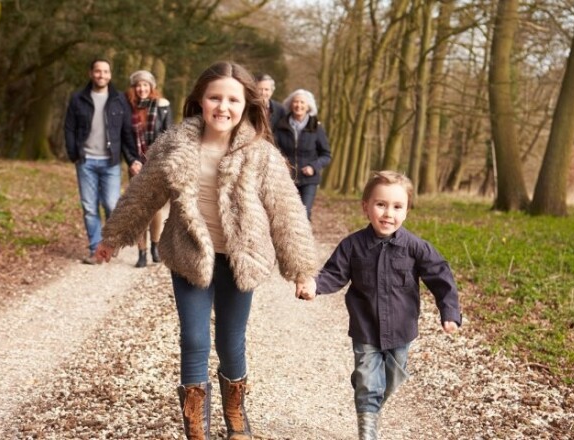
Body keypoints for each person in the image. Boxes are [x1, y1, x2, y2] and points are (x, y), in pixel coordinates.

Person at [94, 61, 318, 440]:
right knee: (194, 339)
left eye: (233, 99)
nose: (223, 107)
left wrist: (302, 271)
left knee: (231, 341)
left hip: (239, 259)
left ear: (246, 105)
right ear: (200, 100)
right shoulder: (175, 145)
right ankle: (195, 427)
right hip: (189, 254)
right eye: (215, 97)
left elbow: (287, 212)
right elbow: (144, 193)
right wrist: (113, 237)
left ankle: (235, 412)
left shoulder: (260, 154)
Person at [298, 170, 462, 440]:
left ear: (407, 211)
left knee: (391, 378)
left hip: (401, 329)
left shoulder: (416, 248)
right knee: (369, 381)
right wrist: (314, 286)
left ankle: (368, 391)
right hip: (366, 328)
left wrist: (450, 312)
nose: (388, 214)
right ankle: (367, 428)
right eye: (381, 204)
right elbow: (334, 274)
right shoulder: (353, 246)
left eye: (397, 207)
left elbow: (440, 275)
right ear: (366, 207)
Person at [64, 58, 141, 264]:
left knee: (111, 204)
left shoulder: (119, 100)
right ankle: (95, 250)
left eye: (105, 72)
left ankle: (110, 243)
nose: (102, 75)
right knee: (90, 207)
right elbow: (69, 128)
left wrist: (132, 158)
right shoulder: (78, 98)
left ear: (110, 75)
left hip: (111, 162)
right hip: (86, 161)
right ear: (91, 73)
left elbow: (126, 133)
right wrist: (74, 154)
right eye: (98, 71)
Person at [126, 69, 173, 268]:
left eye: (145, 85)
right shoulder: (128, 108)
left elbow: (167, 136)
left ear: (151, 87)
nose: (142, 88)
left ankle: (155, 245)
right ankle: (141, 252)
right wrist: (131, 161)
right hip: (136, 165)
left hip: (155, 163)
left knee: (154, 210)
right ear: (134, 88)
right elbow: (124, 139)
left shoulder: (162, 107)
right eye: (138, 85)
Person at [273, 88, 331, 221]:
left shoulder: (316, 127)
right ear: (290, 104)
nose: (298, 105)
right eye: (295, 102)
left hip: (308, 180)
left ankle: (304, 241)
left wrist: (313, 166)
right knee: (287, 215)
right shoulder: (281, 125)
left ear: (308, 106)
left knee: (304, 213)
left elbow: (326, 155)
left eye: (302, 103)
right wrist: (281, 162)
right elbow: (274, 150)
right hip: (286, 178)